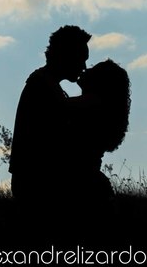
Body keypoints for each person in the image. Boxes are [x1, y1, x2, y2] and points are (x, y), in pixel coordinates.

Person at [8, 25, 90, 210]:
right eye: (81, 59)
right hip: (38, 185)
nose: (84, 66)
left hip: (36, 182)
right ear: (66, 55)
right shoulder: (42, 85)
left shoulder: (44, 83)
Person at [66, 59, 130, 203]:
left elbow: (53, 108)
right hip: (88, 179)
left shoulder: (90, 103)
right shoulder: (103, 107)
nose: (86, 70)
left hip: (79, 181)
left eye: (92, 70)